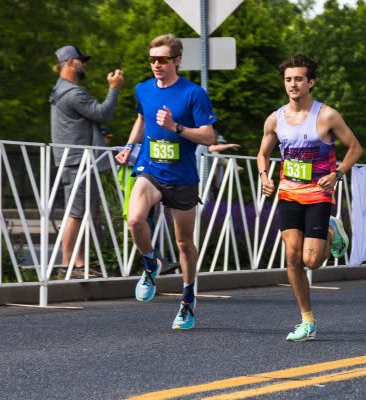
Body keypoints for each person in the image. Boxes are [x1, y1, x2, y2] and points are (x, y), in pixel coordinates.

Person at [257, 54, 362, 341]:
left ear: (310, 82)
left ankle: (331, 227)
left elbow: (354, 147)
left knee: (312, 261)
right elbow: (262, 153)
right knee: (292, 255)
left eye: (299, 79)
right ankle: (307, 321)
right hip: (289, 193)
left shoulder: (326, 115)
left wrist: (338, 174)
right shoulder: (275, 119)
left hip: (318, 194)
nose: (293, 84)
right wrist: (265, 176)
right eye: (288, 79)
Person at [114, 34, 217, 329]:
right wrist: (129, 147)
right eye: (152, 60)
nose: (156, 65)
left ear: (176, 61)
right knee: (135, 219)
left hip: (182, 177)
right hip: (150, 169)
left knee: (184, 243)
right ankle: (150, 263)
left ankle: (187, 299)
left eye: (162, 60)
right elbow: (142, 120)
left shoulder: (194, 94)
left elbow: (208, 137)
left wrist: (176, 127)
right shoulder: (143, 89)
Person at [49, 45, 123, 278]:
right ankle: (67, 264)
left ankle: (78, 264)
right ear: (71, 62)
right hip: (78, 161)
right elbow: (102, 113)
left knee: (83, 212)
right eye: (81, 60)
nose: (84, 65)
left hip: (76, 159)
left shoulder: (60, 91)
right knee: (77, 212)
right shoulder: (74, 93)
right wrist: (114, 89)